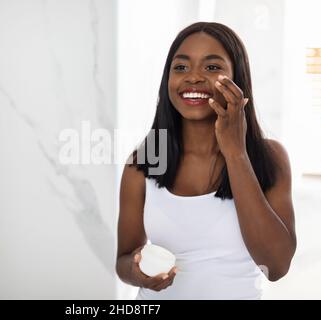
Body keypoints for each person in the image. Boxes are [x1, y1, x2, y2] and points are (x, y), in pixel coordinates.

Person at [115, 22, 297, 299]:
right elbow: (124, 261)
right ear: (168, 80)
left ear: (238, 79)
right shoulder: (143, 162)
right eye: (181, 67)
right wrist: (137, 271)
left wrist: (236, 153)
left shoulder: (270, 158)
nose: (194, 78)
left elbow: (276, 266)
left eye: (212, 67)